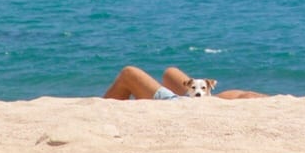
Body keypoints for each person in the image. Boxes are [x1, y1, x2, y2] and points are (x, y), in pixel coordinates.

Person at [101, 66, 268, 100]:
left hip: (180, 104)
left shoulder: (253, 100)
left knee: (129, 73)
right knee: (170, 72)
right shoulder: (269, 100)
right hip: (207, 98)